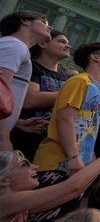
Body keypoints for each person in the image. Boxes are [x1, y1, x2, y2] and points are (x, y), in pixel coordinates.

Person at [31, 42, 100, 222]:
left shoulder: (95, 87)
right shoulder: (80, 81)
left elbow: (89, 128)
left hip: (76, 165)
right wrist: (73, 155)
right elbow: (65, 119)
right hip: (57, 163)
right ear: (95, 57)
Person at [10, 29, 72, 160]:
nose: (68, 46)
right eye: (62, 41)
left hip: (49, 145)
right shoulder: (31, 67)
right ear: (43, 44)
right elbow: (29, 100)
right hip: (22, 138)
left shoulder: (65, 75)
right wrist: (71, 94)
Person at [0, 10, 52, 151]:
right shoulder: (15, 46)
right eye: (43, 22)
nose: (50, 27)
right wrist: (4, 138)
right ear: (25, 21)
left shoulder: (15, 47)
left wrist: (17, 123)